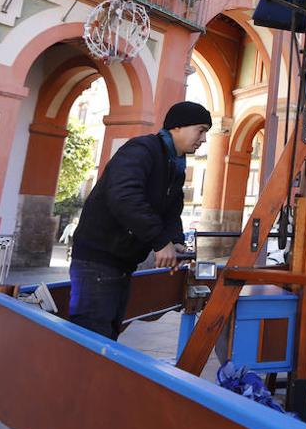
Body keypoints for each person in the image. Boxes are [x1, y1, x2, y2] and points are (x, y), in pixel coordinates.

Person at [67, 101, 212, 338]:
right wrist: (159, 241)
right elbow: (124, 196)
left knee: (108, 334)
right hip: (97, 260)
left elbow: (171, 210)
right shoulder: (142, 150)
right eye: (201, 129)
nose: (203, 139)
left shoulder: (174, 165)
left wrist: (174, 240)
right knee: (91, 337)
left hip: (122, 263)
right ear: (177, 127)